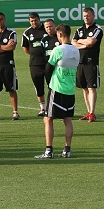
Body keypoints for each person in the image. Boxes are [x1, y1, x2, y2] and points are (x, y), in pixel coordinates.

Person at [34, 24, 80, 159]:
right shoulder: (76, 50)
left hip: (57, 89)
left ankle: (49, 150)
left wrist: (50, 84)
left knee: (48, 119)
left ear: (59, 35)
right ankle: (67, 149)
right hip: (70, 90)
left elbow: (48, 69)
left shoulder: (58, 50)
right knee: (68, 119)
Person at [72, 7, 103, 122]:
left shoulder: (97, 29)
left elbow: (91, 42)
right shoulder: (79, 29)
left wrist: (81, 41)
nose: (86, 18)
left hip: (91, 62)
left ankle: (92, 113)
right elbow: (73, 42)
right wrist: (84, 44)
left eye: (88, 16)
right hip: (80, 62)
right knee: (84, 88)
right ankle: (88, 111)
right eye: (84, 16)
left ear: (93, 16)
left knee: (91, 87)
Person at [21, 12, 49, 117]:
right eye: (31, 21)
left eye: (35, 20)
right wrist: (35, 54)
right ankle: (42, 108)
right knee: (38, 85)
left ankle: (52, 105)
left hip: (48, 62)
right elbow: (25, 48)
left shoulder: (46, 29)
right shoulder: (27, 33)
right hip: (35, 64)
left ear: (39, 19)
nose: (34, 23)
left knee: (51, 85)